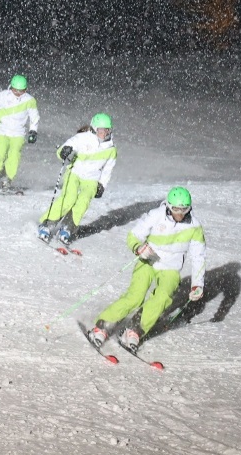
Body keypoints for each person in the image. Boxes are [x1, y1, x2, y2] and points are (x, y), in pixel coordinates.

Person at [89, 186, 206, 352]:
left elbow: (198, 257)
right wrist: (138, 248)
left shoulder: (194, 227)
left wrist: (197, 284)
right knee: (136, 296)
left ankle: (135, 330)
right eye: (176, 209)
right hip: (148, 261)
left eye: (184, 209)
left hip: (171, 268)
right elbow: (133, 235)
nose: (180, 214)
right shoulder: (156, 215)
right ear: (168, 206)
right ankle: (103, 326)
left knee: (163, 297)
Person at [38, 113, 117, 245]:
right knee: (69, 199)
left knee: (83, 202)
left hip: (92, 179)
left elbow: (108, 170)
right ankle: (47, 223)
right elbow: (66, 147)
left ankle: (68, 227)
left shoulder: (111, 148)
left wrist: (102, 185)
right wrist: (64, 151)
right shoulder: (82, 138)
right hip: (75, 172)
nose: (104, 133)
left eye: (107, 130)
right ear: (93, 129)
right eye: (101, 131)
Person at [0, 74, 39, 195]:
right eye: (15, 90)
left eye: (21, 91)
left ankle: (6, 179)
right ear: (11, 87)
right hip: (2, 131)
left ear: (26, 89)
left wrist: (33, 131)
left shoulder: (29, 100)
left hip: (18, 134)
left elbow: (34, 117)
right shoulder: (3, 96)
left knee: (14, 156)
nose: (17, 93)